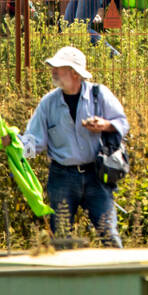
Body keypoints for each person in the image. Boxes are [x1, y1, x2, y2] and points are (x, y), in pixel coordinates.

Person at [21, 46, 129, 247]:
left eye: (58, 67)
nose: (53, 71)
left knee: (109, 234)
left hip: (96, 176)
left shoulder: (99, 94)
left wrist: (104, 125)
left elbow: (122, 123)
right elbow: (35, 142)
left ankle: (119, 275)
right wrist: (15, 146)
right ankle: (64, 278)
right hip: (61, 177)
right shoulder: (48, 103)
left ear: (75, 73)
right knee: (60, 238)